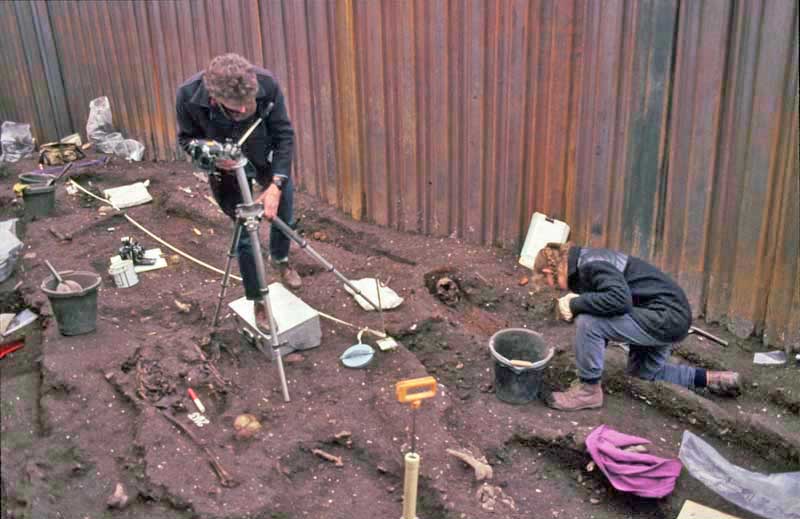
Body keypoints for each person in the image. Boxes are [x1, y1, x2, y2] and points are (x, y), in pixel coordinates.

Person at [532, 242, 741, 411]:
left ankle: (588, 392)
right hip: (667, 315)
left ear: (549, 270)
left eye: (547, 282)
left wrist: (576, 304)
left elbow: (619, 301)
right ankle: (714, 379)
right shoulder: (588, 260)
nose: (552, 289)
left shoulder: (591, 265)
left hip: (664, 316)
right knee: (643, 371)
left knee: (588, 323)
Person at [176, 53, 301, 331]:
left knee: (284, 209)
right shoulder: (187, 97)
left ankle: (280, 259)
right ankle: (259, 300)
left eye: (250, 105)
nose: (245, 111)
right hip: (227, 170)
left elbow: (284, 135)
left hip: (264, 153)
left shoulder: (267, 83)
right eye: (236, 109)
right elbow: (186, 139)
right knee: (246, 236)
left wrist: (276, 185)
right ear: (213, 97)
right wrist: (212, 158)